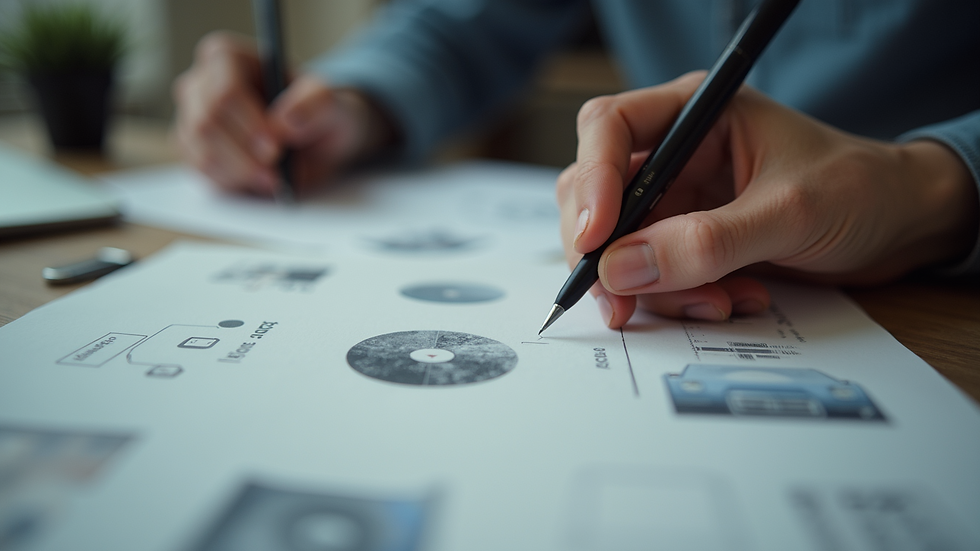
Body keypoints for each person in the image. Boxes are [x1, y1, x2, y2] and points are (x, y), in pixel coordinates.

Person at [173, 0, 980, 328]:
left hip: (940, 304)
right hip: (735, 254)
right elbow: (470, 19)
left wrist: (937, 182)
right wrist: (347, 103)